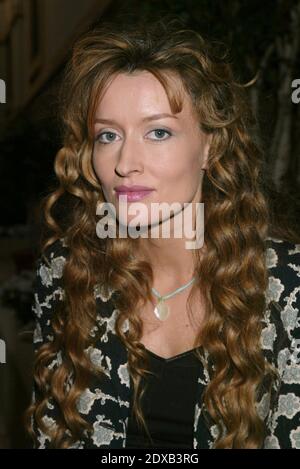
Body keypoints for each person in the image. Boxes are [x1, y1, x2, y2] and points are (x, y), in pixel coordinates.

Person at [25, 14, 300, 449]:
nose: (124, 163)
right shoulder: (67, 274)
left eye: (157, 132)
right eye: (108, 135)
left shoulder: (287, 287)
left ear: (210, 145)